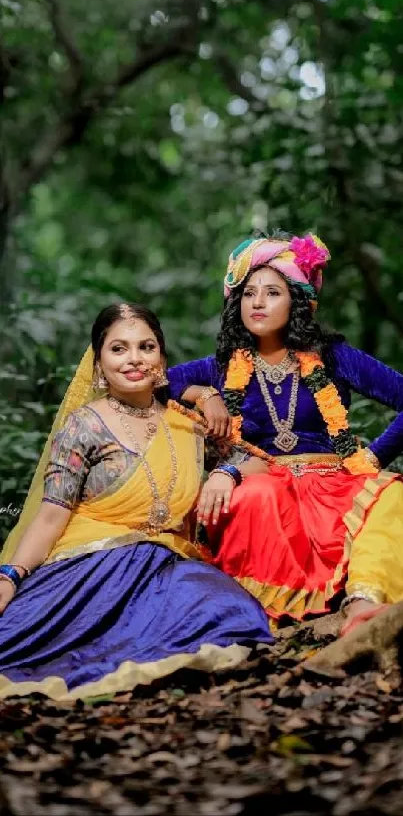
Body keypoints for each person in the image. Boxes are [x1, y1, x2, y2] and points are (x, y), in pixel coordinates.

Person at [0, 303, 273, 700]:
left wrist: (224, 472)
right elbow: (48, 518)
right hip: (89, 569)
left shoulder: (188, 424)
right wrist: (9, 576)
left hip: (164, 568)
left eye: (146, 347)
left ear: (161, 359)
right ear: (99, 363)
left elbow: (259, 463)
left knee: (231, 612)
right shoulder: (84, 425)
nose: (134, 359)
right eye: (119, 348)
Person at [167, 234, 403, 634]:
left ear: (297, 301)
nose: (257, 303)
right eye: (248, 293)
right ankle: (259, 615)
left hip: (334, 484)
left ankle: (364, 604)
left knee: (394, 495)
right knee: (257, 497)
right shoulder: (223, 367)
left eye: (272, 292)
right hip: (262, 481)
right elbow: (153, 382)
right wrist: (204, 394)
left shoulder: (332, 357)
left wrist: (375, 458)